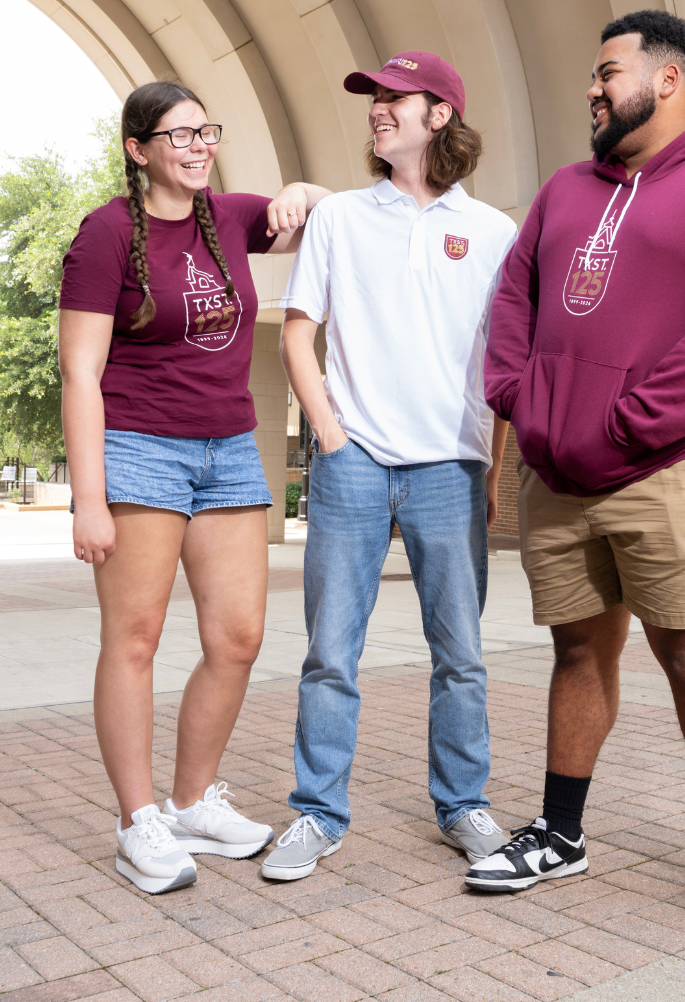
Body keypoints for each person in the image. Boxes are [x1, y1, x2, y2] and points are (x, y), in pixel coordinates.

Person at [469, 11, 685, 935]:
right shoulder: (565, 192)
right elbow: (512, 302)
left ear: (668, 80)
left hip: (672, 468)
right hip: (560, 474)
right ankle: (561, 832)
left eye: (607, 71)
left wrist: (620, 426)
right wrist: (521, 402)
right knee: (579, 651)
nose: (591, 88)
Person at [59, 80, 330, 895]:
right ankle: (137, 819)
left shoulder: (229, 216)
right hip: (141, 447)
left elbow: (327, 211)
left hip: (228, 449)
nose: (197, 146)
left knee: (238, 638)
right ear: (139, 150)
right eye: (177, 136)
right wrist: (90, 496)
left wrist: (299, 190)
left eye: (204, 132)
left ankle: (190, 802)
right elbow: (80, 371)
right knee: (135, 639)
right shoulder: (107, 235)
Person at [260, 52, 517, 881]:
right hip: (355, 462)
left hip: (451, 466)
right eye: (373, 98)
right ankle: (317, 813)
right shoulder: (340, 219)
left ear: (439, 114)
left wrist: (491, 466)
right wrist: (331, 437)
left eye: (393, 97)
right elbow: (298, 332)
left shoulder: (493, 232)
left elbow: (503, 360)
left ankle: (463, 804)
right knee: (331, 652)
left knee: (462, 654)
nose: (377, 108)